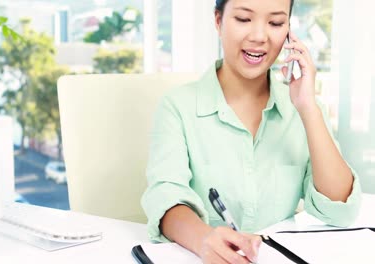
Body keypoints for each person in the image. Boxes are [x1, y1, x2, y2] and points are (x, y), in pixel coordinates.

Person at [141, 0, 362, 263]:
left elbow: (340, 210)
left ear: (289, 31)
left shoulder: (302, 109)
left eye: (276, 23)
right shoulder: (177, 106)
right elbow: (166, 196)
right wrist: (204, 239)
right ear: (218, 21)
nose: (259, 37)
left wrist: (308, 108)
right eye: (244, 19)